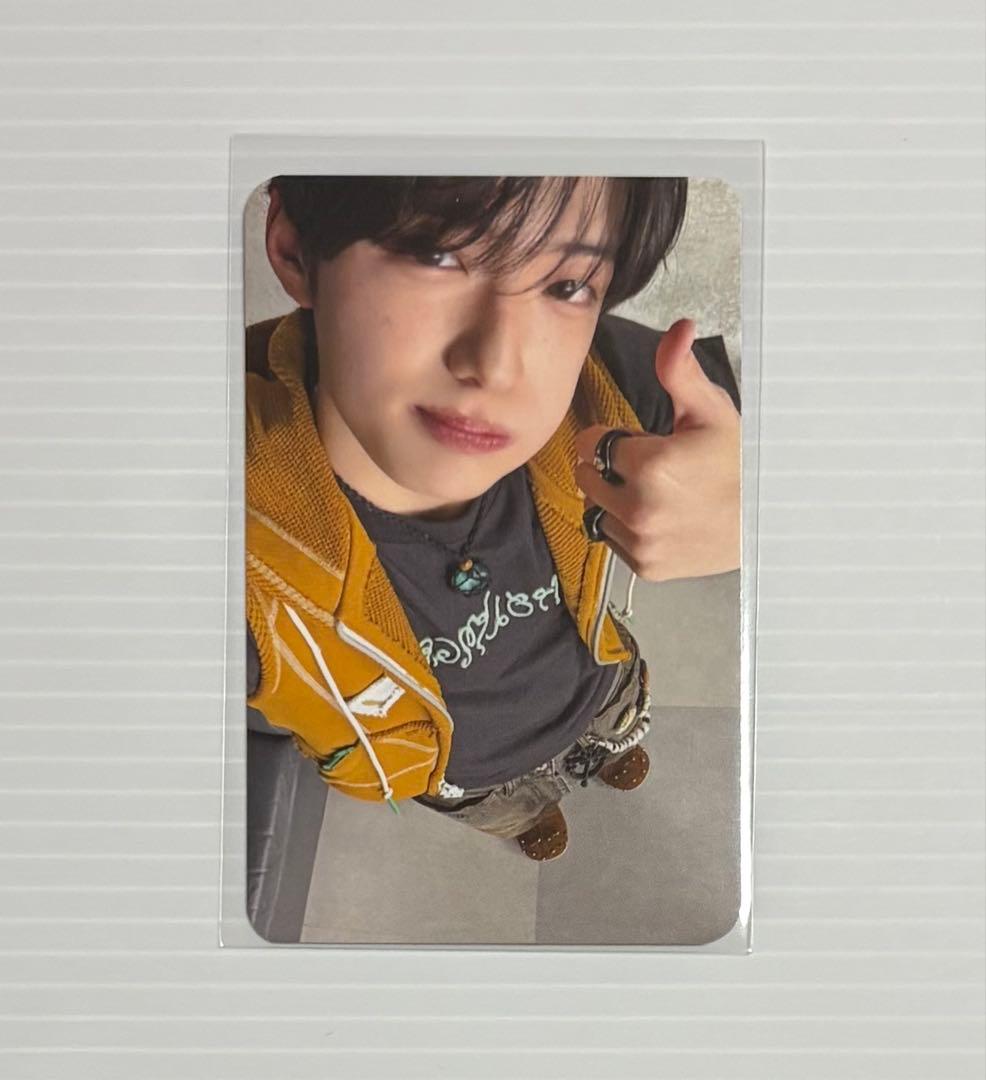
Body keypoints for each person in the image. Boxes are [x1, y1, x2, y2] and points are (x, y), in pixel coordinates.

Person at [245, 175, 740, 861]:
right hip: (463, 773)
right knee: (510, 808)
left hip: (596, 682)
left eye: (566, 285)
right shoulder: (234, 561)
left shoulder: (599, 389)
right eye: (437, 255)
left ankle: (612, 746)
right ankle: (529, 817)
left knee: (617, 720)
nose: (498, 364)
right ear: (296, 249)